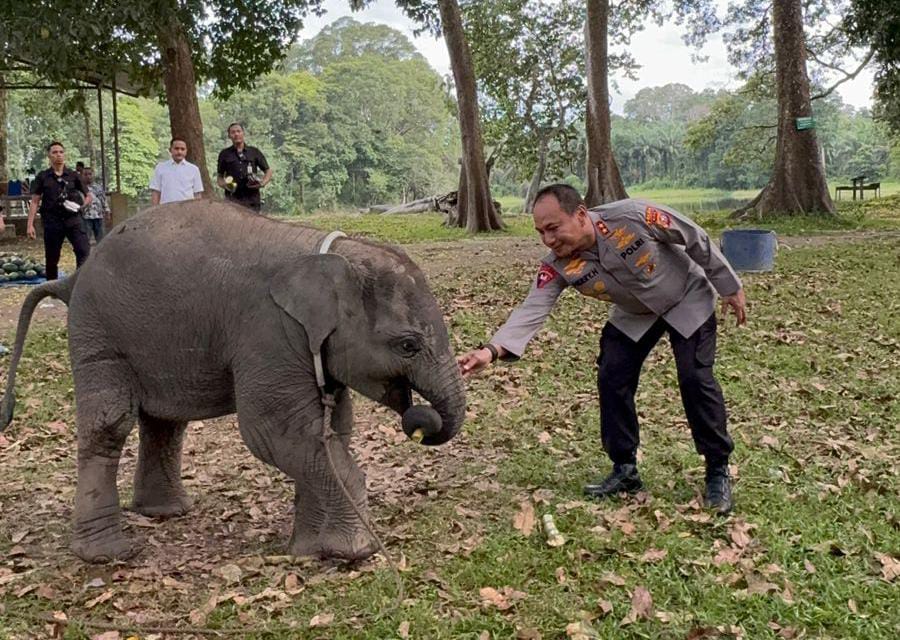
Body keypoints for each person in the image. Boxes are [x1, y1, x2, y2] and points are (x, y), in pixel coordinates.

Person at [457, 184, 747, 514]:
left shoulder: (633, 216)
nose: (548, 240)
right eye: (540, 232)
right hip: (635, 314)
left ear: (581, 215)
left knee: (694, 377)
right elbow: (531, 309)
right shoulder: (558, 265)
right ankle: (625, 469)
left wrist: (729, 285)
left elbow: (693, 236)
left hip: (686, 296)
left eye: (554, 228)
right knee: (612, 376)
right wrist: (491, 351)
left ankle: (717, 469)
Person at [27, 141, 92, 279]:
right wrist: (30, 225)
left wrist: (82, 206)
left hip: (73, 219)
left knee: (84, 251)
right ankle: (51, 287)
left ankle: (79, 282)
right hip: (52, 221)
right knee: (52, 258)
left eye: (61, 152)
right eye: (55, 152)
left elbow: (88, 196)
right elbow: (35, 201)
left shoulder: (73, 175)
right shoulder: (43, 177)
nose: (58, 155)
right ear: (49, 156)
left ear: (65, 155)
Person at [216, 122, 271, 212]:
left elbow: (268, 170)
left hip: (252, 201)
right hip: (232, 201)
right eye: (233, 132)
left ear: (243, 133)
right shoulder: (224, 154)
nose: (236, 134)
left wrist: (262, 183)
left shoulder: (254, 152)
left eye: (238, 131)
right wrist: (225, 185)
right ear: (229, 136)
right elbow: (220, 177)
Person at [149, 137, 205, 205]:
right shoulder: (160, 168)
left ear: (186, 151)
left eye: (182, 149)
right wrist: (155, 210)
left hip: (187, 209)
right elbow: (156, 192)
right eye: (176, 148)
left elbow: (197, 194)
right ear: (170, 150)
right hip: (166, 209)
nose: (179, 152)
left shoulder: (194, 169)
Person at [81, 167, 110, 242]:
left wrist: (107, 212)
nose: (88, 176)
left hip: (98, 216)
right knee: (85, 239)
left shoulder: (98, 187)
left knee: (101, 239)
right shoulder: (80, 188)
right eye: (85, 174)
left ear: (93, 175)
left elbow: (104, 200)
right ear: (82, 175)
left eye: (90, 174)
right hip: (85, 217)